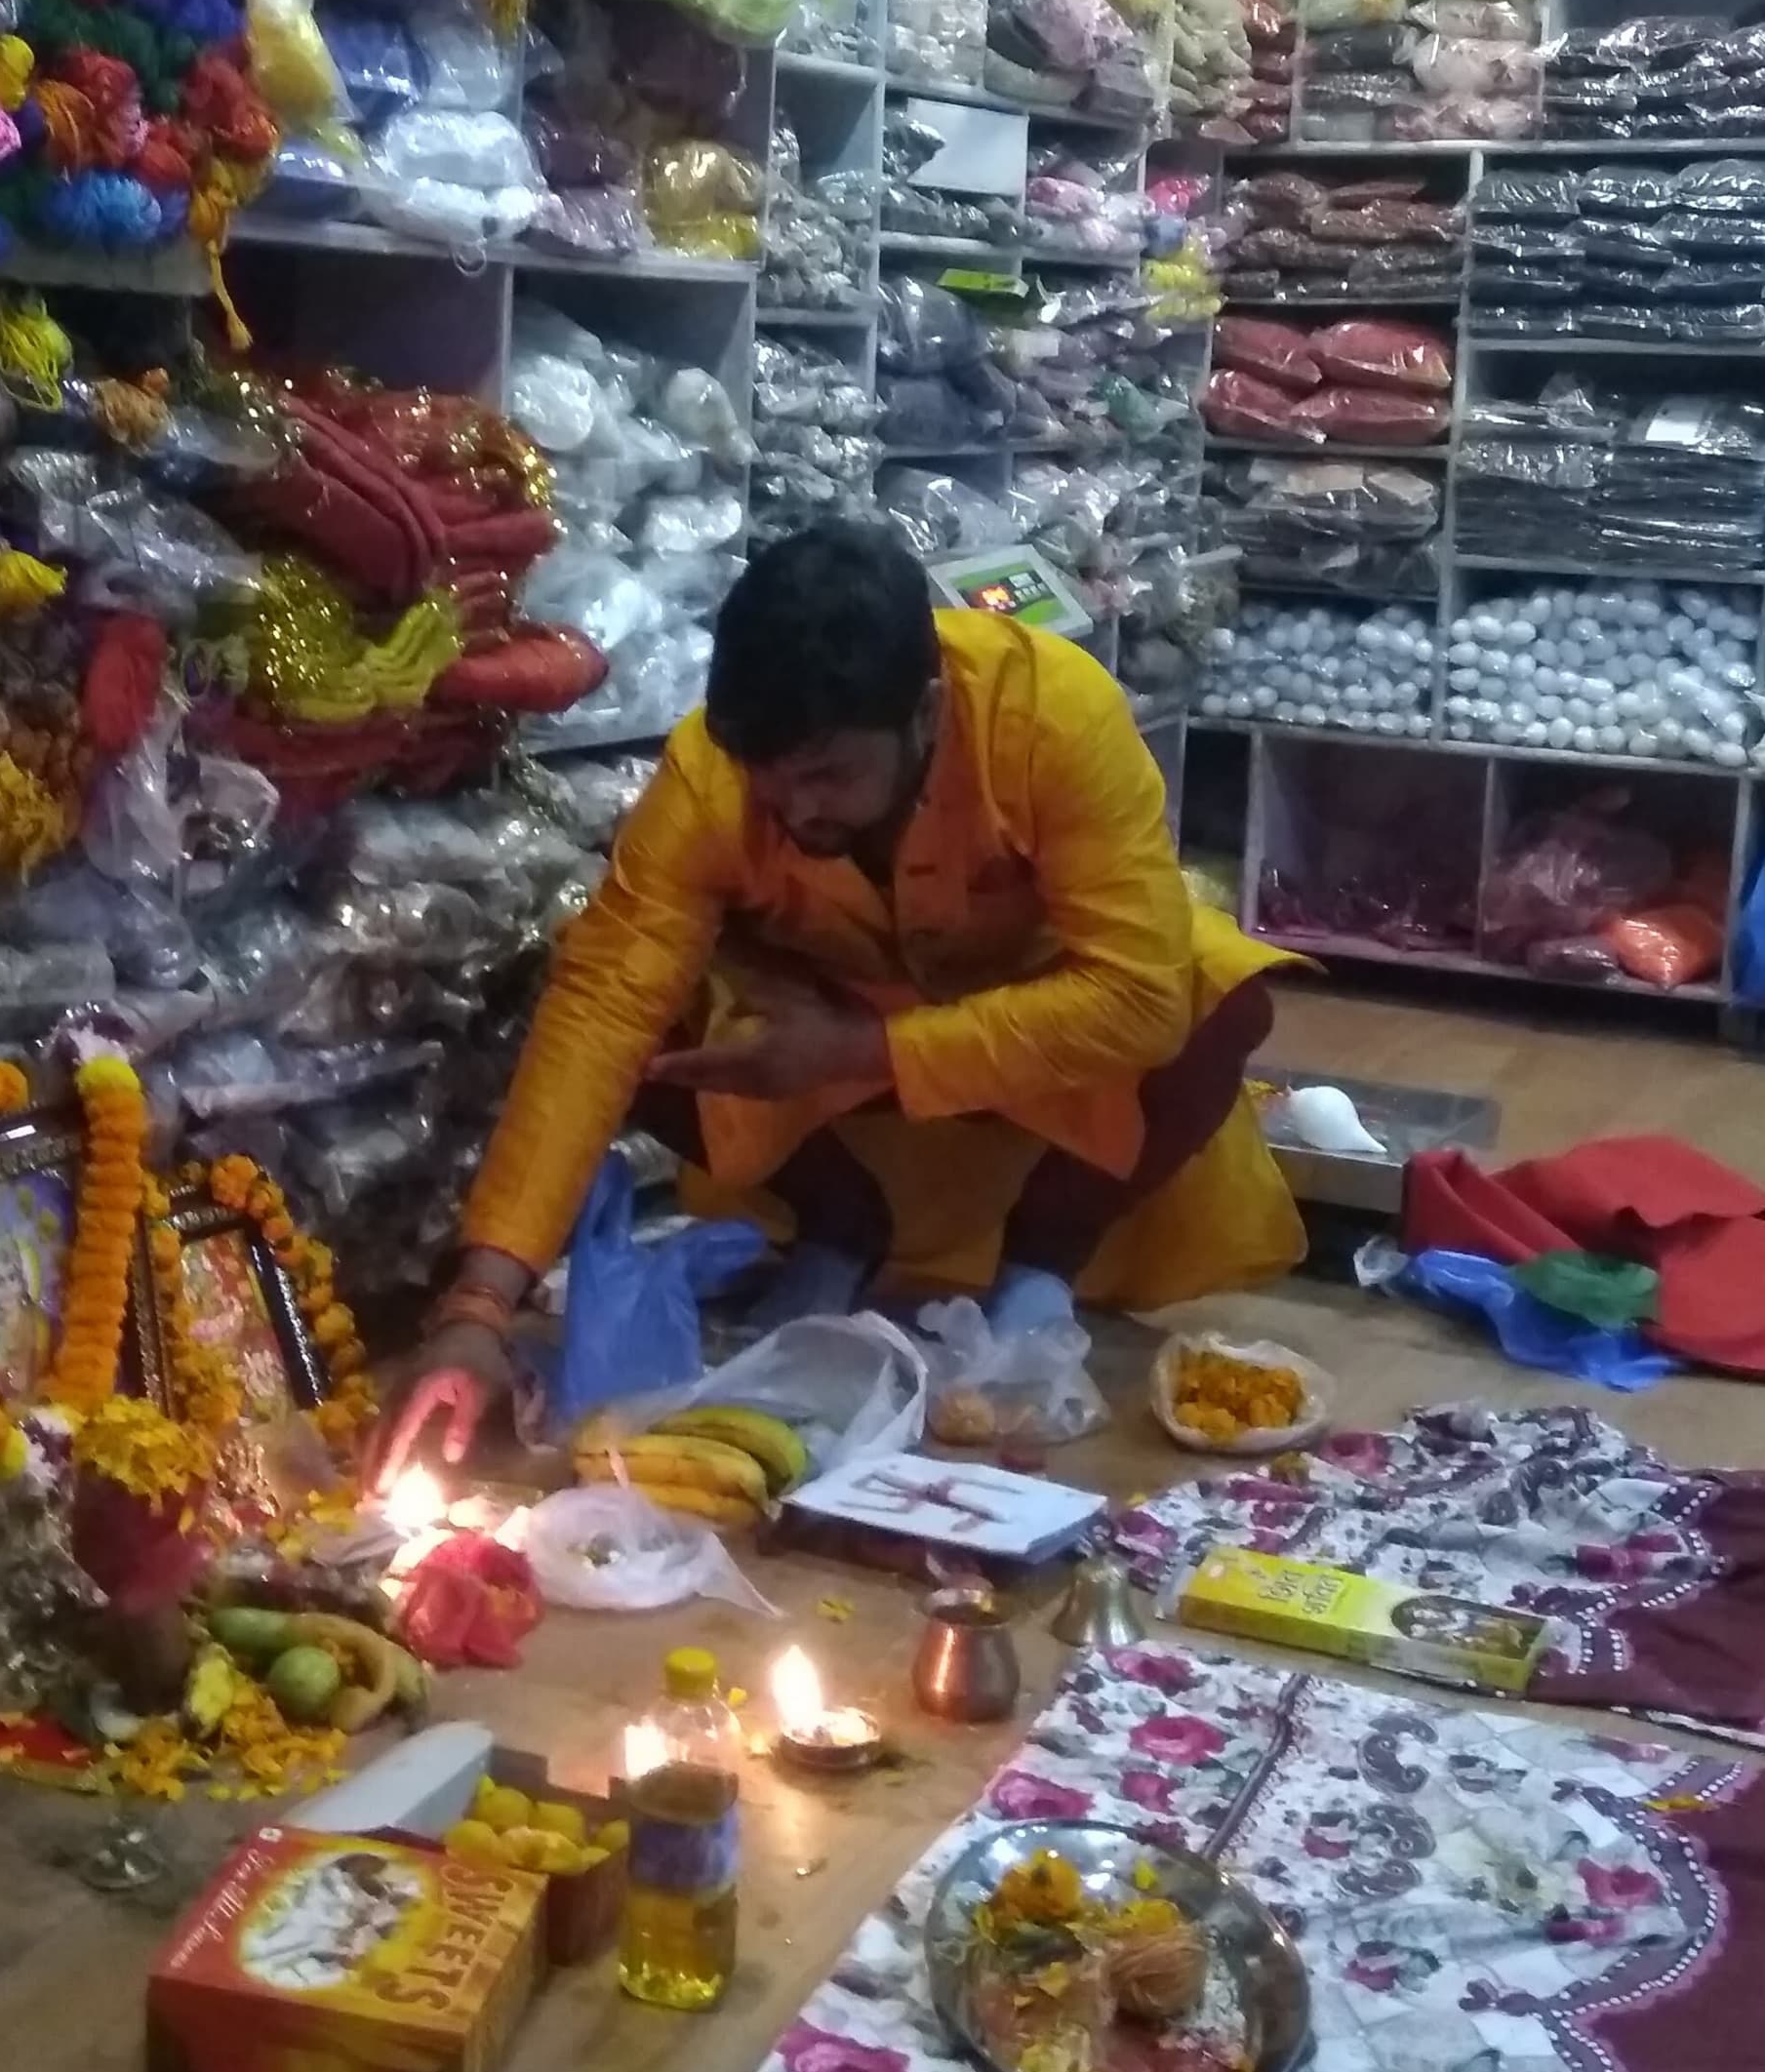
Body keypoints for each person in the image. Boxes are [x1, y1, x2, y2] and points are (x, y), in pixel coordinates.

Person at [372, 518, 1300, 1476]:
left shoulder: (1054, 715)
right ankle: (841, 1227)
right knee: (608, 994)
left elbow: (1138, 997)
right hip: (817, 1023)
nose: (796, 810)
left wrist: (862, 1048)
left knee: (1216, 998)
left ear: (926, 712)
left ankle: (1040, 1263)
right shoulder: (713, 773)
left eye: (829, 775)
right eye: (770, 784)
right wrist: (478, 1304)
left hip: (1028, 1020)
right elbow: (602, 1002)